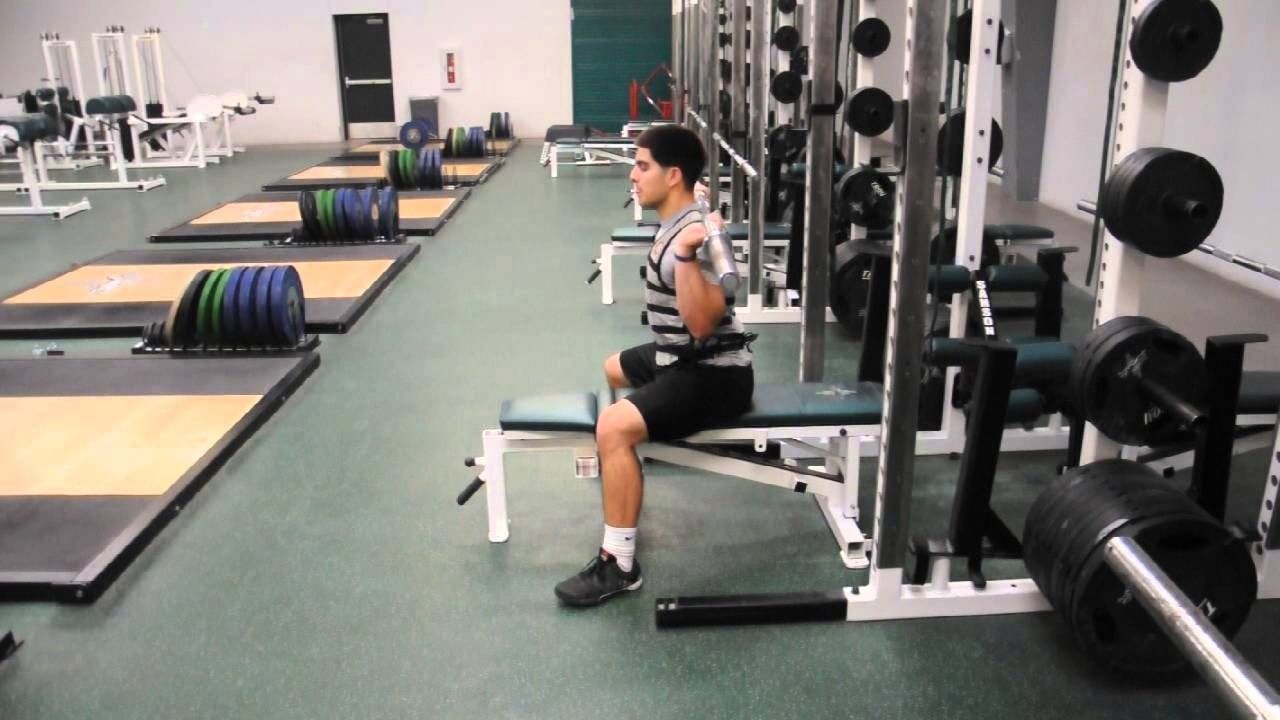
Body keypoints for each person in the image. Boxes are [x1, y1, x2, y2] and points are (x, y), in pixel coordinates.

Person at [554, 125, 755, 607]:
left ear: (674, 175)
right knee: (614, 368)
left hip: (714, 374)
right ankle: (628, 468)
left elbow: (704, 323)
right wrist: (699, 201)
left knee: (613, 426)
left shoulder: (692, 240)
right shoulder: (685, 209)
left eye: (643, 166)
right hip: (674, 354)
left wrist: (688, 254)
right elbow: (698, 199)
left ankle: (618, 563)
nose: (633, 175)